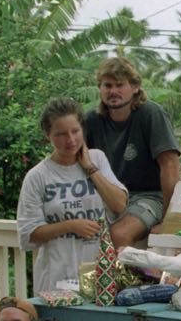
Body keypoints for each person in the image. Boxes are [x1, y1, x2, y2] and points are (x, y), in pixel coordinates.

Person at [17, 97, 129, 294]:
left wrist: (89, 168)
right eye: (61, 134)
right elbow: (28, 235)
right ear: (48, 135)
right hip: (56, 280)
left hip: (99, 277)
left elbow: (119, 204)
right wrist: (70, 226)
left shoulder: (97, 159)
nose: (70, 140)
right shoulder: (37, 177)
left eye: (75, 131)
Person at [82, 57, 181, 249]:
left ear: (135, 87)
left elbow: (170, 165)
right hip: (109, 197)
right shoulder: (91, 120)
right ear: (100, 88)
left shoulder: (151, 114)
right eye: (107, 85)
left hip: (149, 197)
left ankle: (125, 280)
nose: (113, 91)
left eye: (120, 85)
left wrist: (167, 220)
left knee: (119, 234)